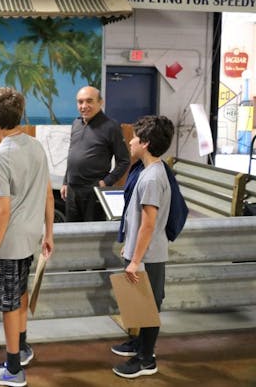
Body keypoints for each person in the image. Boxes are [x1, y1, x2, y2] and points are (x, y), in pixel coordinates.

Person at [0, 87, 55, 387]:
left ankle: (12, 369)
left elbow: (3, 212)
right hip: (32, 236)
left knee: (9, 305)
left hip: (10, 242)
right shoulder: (36, 147)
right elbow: (48, 194)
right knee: (20, 295)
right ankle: (21, 349)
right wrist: (49, 233)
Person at [111, 115, 175, 379]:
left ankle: (146, 360)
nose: (130, 141)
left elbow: (148, 224)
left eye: (135, 138)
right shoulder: (151, 172)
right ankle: (139, 346)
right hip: (142, 252)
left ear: (146, 143)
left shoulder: (150, 178)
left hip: (147, 254)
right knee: (140, 304)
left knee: (149, 306)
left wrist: (135, 260)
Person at [61, 86, 130, 222]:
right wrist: (65, 182)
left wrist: (106, 182)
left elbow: (124, 161)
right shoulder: (76, 123)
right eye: (80, 102)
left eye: (89, 101)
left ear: (100, 102)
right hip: (72, 191)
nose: (84, 106)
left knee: (90, 235)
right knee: (72, 234)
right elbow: (72, 155)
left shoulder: (111, 126)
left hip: (94, 191)